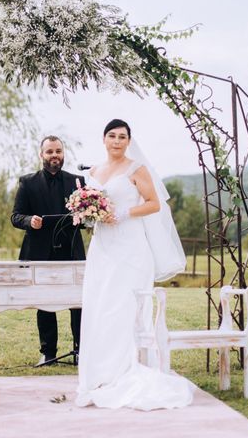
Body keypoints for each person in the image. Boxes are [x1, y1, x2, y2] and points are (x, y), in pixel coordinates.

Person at [75, 119, 193, 410]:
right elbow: (92, 208)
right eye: (112, 136)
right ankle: (100, 375)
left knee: (123, 309)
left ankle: (123, 372)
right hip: (102, 247)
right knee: (100, 306)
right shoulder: (93, 172)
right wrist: (88, 213)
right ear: (104, 139)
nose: (116, 141)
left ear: (129, 141)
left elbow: (154, 203)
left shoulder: (136, 169)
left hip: (130, 248)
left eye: (122, 137)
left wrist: (125, 212)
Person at [11, 136, 85, 366]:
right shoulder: (27, 182)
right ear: (41, 154)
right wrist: (29, 220)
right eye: (50, 151)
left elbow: (87, 217)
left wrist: (81, 217)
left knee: (79, 303)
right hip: (40, 252)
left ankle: (81, 350)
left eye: (58, 151)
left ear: (63, 153)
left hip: (71, 250)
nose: (55, 155)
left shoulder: (77, 181)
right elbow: (15, 216)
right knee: (44, 303)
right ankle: (48, 352)